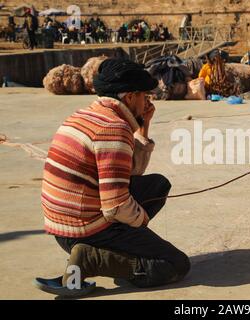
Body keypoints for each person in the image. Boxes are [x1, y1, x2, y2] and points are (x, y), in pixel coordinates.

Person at [36, 59, 190, 297]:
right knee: (175, 264)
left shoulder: (90, 114)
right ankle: (91, 257)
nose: (148, 101)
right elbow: (115, 206)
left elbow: (129, 172)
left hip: (63, 225)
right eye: (144, 96)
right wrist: (141, 222)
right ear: (129, 97)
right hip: (82, 229)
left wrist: (143, 128)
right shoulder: (113, 129)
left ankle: (104, 249)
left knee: (157, 185)